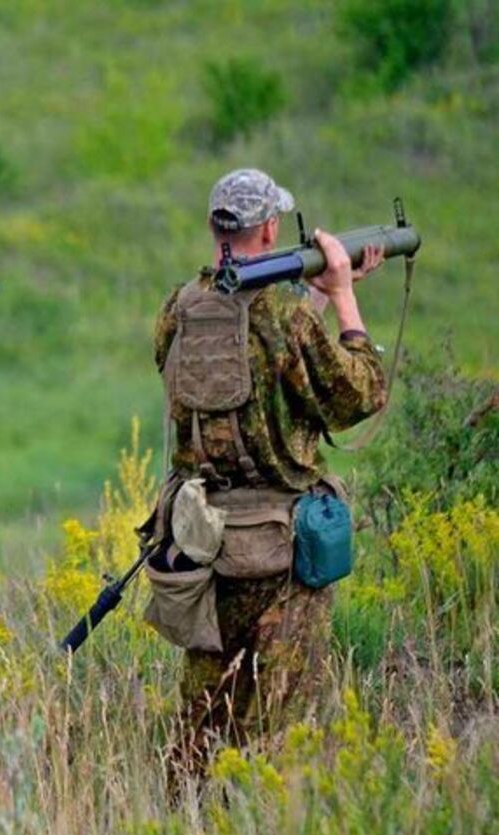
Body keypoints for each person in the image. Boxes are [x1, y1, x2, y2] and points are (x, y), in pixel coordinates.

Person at [149, 168, 388, 782]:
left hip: (202, 546)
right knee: (280, 727)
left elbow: (242, 370)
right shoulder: (288, 319)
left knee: (203, 724)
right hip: (281, 554)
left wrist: (305, 301)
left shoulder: (178, 310)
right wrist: (342, 298)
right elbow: (359, 393)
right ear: (273, 227)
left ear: (215, 227)